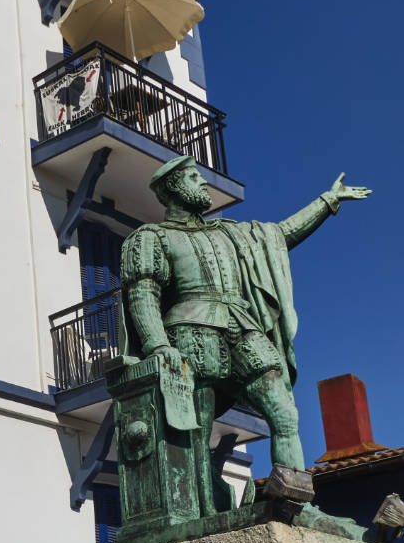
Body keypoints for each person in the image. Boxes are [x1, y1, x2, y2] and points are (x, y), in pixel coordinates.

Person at [120, 155, 371, 502]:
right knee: (197, 431)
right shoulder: (151, 237)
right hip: (191, 332)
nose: (202, 184)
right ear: (175, 187)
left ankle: (294, 503)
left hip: (243, 327)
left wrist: (327, 202)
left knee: (284, 413)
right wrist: (158, 345)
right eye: (194, 178)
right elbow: (142, 293)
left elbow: (281, 235)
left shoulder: (232, 234)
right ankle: (206, 510)